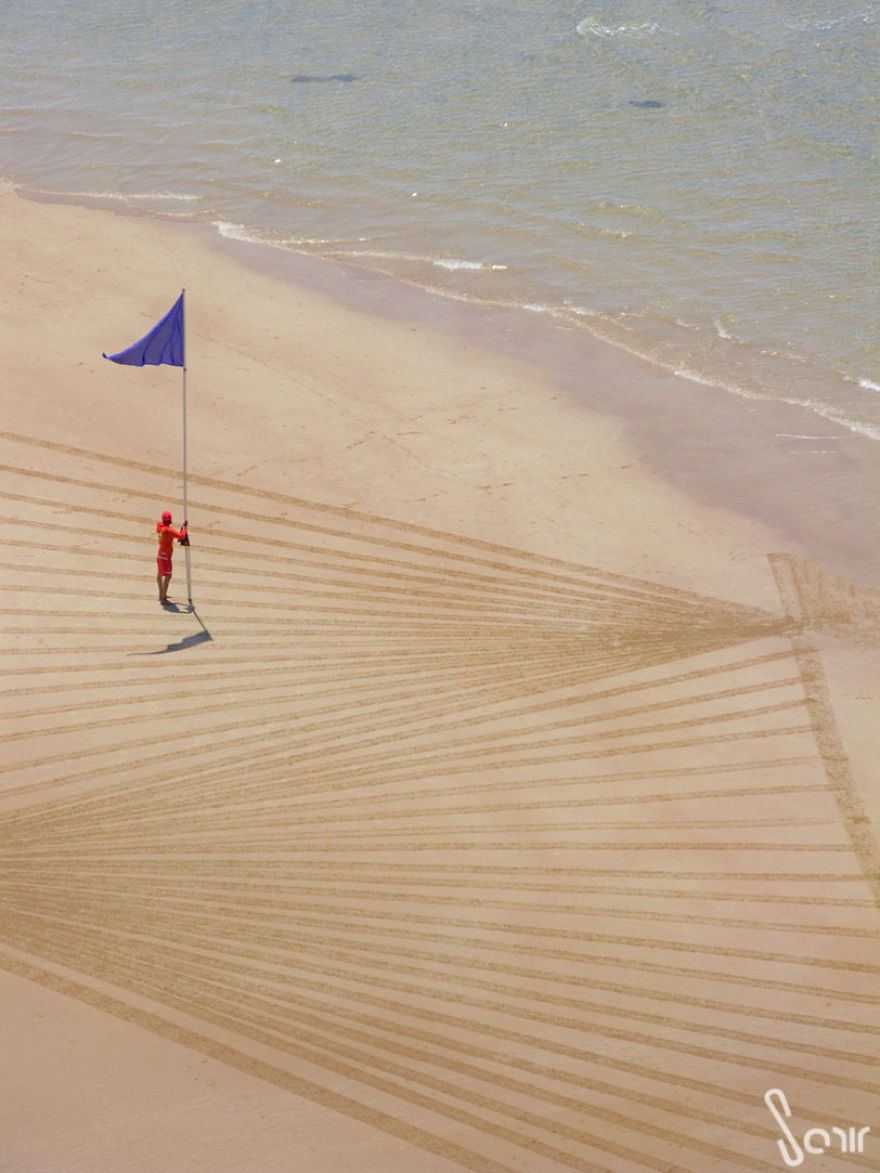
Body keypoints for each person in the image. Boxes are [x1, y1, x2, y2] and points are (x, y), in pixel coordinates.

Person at [156, 510, 188, 605]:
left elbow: (160, 526)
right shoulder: (168, 531)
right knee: (168, 576)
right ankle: (163, 597)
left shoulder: (160, 527)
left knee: (160, 574)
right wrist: (184, 528)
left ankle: (161, 594)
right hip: (166, 557)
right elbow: (181, 536)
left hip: (160, 554)